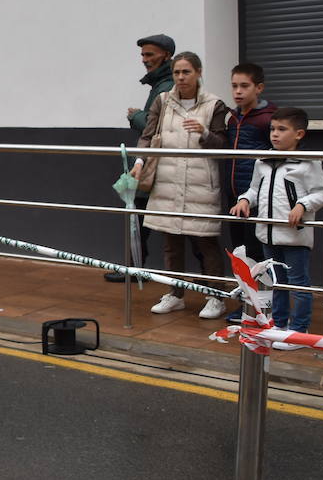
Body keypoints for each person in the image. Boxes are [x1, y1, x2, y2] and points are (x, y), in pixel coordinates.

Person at [130, 51, 229, 319]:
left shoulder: (215, 104)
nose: (181, 77)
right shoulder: (162, 101)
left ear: (198, 73)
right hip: (167, 180)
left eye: (186, 72)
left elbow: (223, 145)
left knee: (206, 242)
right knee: (171, 241)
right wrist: (139, 161)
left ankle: (216, 296)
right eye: (176, 72)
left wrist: (204, 133)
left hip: (200, 182)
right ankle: (175, 294)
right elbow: (148, 135)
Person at [230, 107, 323, 333]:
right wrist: (244, 200)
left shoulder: (307, 163)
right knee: (276, 283)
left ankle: (299, 330)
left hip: (295, 236)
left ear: (299, 134)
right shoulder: (262, 161)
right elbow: (254, 189)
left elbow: (321, 193)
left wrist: (303, 205)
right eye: (273, 129)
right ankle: (279, 324)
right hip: (267, 234)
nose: (275, 134)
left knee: (298, 284)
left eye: (282, 129)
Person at [107, 33, 178, 283]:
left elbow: (155, 125)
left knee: (139, 216)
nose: (144, 60)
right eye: (142, 55)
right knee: (138, 215)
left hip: (157, 164)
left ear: (166, 55)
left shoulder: (167, 85)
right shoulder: (161, 83)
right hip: (150, 163)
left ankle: (134, 268)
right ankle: (133, 267)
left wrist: (136, 116)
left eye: (150, 55)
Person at [222, 63, 276, 323]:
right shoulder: (232, 118)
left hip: (258, 199)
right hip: (234, 197)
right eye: (234, 86)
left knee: (258, 256)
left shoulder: (268, 118)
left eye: (244, 86)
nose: (238, 91)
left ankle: (260, 310)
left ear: (259, 88)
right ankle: (247, 306)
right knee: (240, 254)